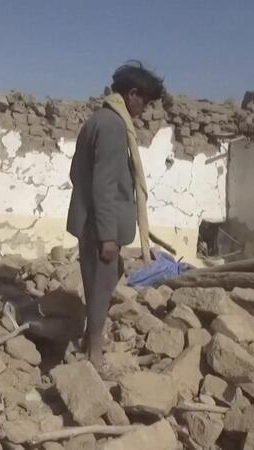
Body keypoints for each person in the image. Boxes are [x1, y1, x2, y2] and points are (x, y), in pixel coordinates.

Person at [66, 61, 164, 369]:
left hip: (91, 222)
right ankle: (94, 356)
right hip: (101, 228)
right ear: (132, 94)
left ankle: (88, 343)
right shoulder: (112, 126)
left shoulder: (98, 120)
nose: (144, 109)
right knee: (101, 291)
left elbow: (76, 173)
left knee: (99, 284)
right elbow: (105, 184)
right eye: (144, 102)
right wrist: (108, 235)